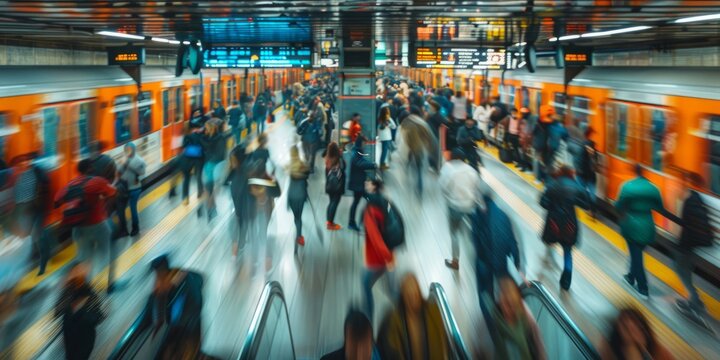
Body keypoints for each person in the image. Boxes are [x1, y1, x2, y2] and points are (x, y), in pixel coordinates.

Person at [615, 164, 680, 299]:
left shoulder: (627, 186)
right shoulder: (654, 188)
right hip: (648, 225)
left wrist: (622, 217)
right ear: (645, 173)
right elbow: (661, 210)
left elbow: (618, 206)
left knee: (636, 257)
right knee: (636, 254)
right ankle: (630, 277)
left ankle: (643, 288)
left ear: (634, 171)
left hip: (631, 224)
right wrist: (679, 221)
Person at [54, 160, 116, 290]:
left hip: (78, 228)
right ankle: (108, 283)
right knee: (107, 252)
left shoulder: (70, 184)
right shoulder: (96, 181)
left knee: (84, 259)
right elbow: (113, 192)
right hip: (98, 225)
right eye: (92, 167)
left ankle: (85, 286)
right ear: (90, 169)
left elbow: (56, 201)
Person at [540, 166, 591, 291]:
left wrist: (552, 205)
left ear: (560, 173)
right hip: (569, 224)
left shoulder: (552, 185)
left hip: (554, 223)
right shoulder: (577, 186)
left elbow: (543, 202)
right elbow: (586, 204)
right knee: (567, 252)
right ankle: (566, 281)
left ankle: (548, 259)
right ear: (571, 174)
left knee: (550, 241)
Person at [377, 273, 449, 360]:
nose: (413, 301)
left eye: (415, 295)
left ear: (419, 293)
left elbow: (442, 344)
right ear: (403, 297)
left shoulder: (433, 315)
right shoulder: (391, 322)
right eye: (409, 297)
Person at [674, 172, 713, 327]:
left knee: (680, 269)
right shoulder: (696, 197)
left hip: (688, 242)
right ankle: (693, 300)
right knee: (685, 269)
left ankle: (696, 303)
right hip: (694, 241)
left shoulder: (689, 199)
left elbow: (685, 224)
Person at [472, 192, 524, 300]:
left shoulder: (477, 217)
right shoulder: (503, 216)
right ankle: (505, 305)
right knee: (504, 287)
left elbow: (475, 240)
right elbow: (512, 242)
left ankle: (489, 312)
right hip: (501, 262)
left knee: (485, 290)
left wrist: (480, 256)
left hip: (485, 261)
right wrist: (517, 264)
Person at [440, 148, 483, 270]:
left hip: (454, 206)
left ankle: (455, 261)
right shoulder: (472, 171)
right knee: (472, 232)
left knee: (454, 233)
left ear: (452, 158)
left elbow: (442, 187)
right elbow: (477, 188)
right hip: (470, 206)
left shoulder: (447, 168)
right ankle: (479, 256)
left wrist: (448, 197)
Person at [483, 277, 546, 360]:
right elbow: (482, 348)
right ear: (501, 300)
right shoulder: (493, 317)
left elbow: (537, 339)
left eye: (512, 305)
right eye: (505, 303)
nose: (507, 310)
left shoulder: (523, 313)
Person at [55, 263, 105, 360]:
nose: (77, 274)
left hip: (85, 339)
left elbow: (99, 317)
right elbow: (57, 311)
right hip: (69, 337)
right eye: (74, 272)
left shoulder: (90, 294)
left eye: (79, 271)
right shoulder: (67, 292)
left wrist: (80, 311)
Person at [11, 153, 50, 275]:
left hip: (34, 207)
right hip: (21, 208)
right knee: (24, 238)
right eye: (20, 162)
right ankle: (25, 264)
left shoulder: (37, 171)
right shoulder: (16, 175)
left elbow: (45, 184)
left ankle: (43, 265)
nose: (24, 163)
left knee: (37, 237)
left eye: (26, 161)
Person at [362, 179, 394, 318]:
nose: (366, 185)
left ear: (374, 189)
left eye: (368, 184)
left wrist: (387, 258)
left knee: (365, 284)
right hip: (387, 252)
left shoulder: (371, 211)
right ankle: (403, 306)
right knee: (391, 289)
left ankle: (368, 319)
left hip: (378, 258)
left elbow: (375, 237)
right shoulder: (385, 202)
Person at [602, 308, 674, 360]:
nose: (636, 335)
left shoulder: (659, 351)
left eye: (640, 327)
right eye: (628, 330)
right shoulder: (611, 352)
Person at [200, 118, 227, 221]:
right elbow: (222, 153)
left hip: (209, 165)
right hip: (215, 164)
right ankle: (211, 209)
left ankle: (211, 209)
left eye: (206, 128)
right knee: (213, 188)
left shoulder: (206, 138)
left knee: (208, 187)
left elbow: (205, 149)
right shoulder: (220, 138)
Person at [116, 142, 146, 237]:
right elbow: (119, 172)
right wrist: (123, 163)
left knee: (133, 209)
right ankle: (123, 230)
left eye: (129, 149)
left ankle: (135, 228)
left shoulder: (140, 160)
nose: (127, 151)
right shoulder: (124, 159)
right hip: (124, 189)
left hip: (134, 189)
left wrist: (128, 164)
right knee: (121, 210)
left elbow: (142, 173)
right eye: (126, 149)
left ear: (133, 149)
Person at [348, 137, 377, 232]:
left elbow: (362, 161)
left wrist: (371, 164)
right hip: (358, 184)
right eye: (364, 143)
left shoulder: (357, 151)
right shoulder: (356, 153)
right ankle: (354, 222)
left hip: (359, 182)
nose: (365, 145)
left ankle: (355, 222)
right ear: (360, 143)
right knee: (369, 199)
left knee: (360, 201)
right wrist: (373, 165)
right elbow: (360, 163)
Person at [229, 144, 250, 259]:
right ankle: (241, 243)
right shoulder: (243, 169)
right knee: (242, 221)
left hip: (240, 201)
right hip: (241, 202)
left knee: (241, 221)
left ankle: (240, 244)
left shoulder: (239, 171)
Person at [287, 146, 310, 252]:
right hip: (300, 195)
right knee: (299, 217)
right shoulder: (303, 165)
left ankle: (298, 229)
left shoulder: (289, 166)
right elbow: (306, 181)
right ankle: (299, 237)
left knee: (296, 217)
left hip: (291, 195)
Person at [178, 122, 205, 205]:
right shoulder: (201, 136)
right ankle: (200, 193)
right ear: (195, 129)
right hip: (199, 159)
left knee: (186, 179)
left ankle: (185, 199)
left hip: (187, 160)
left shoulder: (186, 136)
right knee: (198, 176)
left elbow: (183, 147)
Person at [575, 128, 599, 218]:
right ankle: (592, 210)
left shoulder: (584, 145)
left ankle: (590, 209)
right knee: (591, 193)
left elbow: (578, 160)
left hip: (582, 174)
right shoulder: (590, 146)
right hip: (590, 174)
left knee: (583, 191)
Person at [325, 142, 345, 231]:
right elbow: (344, 167)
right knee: (334, 203)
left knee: (331, 202)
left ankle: (328, 221)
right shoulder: (338, 159)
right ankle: (330, 223)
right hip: (337, 186)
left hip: (329, 185)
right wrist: (341, 156)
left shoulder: (327, 159)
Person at [297, 105, 323, 173]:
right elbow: (298, 131)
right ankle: (308, 166)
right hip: (307, 141)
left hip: (311, 142)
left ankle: (310, 167)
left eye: (312, 117)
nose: (310, 118)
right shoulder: (304, 122)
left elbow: (320, 131)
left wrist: (319, 132)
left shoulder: (315, 122)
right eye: (310, 117)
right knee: (308, 154)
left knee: (311, 155)